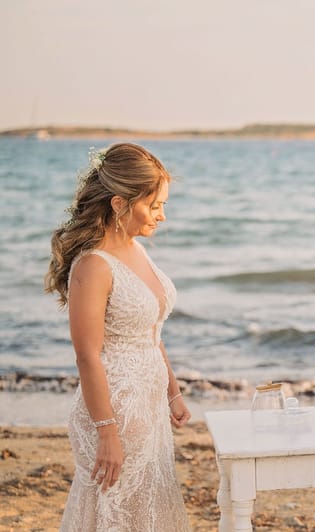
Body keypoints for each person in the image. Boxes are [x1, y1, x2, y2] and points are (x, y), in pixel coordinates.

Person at [45, 143, 191, 531]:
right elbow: (87, 356)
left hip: (149, 408)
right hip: (113, 412)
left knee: (149, 514)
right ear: (118, 203)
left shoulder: (138, 250)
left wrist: (171, 390)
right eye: (154, 205)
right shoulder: (93, 265)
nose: (162, 215)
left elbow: (150, 330)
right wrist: (106, 432)